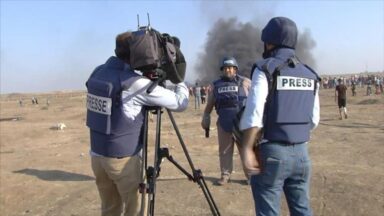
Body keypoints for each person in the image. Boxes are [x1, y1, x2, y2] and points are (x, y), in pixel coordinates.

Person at [85, 31, 189, 216]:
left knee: (110, 209)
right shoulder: (135, 83)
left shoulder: (98, 71)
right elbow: (180, 103)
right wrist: (178, 79)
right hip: (122, 161)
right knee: (136, 210)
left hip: (97, 156)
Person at [239, 17, 321, 216]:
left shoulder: (265, 68)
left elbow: (255, 113)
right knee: (302, 210)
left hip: (271, 151)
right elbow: (314, 120)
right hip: (302, 154)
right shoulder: (310, 74)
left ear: (268, 41)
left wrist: (248, 149)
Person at [201, 56, 251, 185]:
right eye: (226, 68)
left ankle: (251, 176)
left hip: (242, 123)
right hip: (224, 123)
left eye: (231, 68)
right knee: (225, 151)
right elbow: (210, 104)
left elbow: (257, 98)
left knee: (245, 150)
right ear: (222, 70)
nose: (228, 70)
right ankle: (225, 175)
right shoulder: (216, 85)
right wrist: (206, 116)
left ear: (235, 69)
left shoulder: (246, 82)